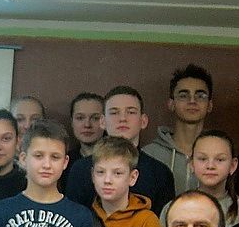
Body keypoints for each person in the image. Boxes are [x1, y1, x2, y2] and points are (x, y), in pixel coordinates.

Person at [66, 86, 176, 216]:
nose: (122, 118)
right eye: (114, 112)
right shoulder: (80, 169)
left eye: (131, 112)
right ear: (102, 121)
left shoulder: (160, 173)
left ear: (143, 121)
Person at [89, 136, 164, 227]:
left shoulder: (146, 222)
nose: (107, 180)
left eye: (117, 173)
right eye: (100, 172)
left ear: (132, 177)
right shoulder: (84, 219)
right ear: (93, 175)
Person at [143, 64, 213, 193]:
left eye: (200, 96)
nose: (192, 101)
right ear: (171, 104)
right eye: (183, 95)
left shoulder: (220, 154)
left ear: (209, 105)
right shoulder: (149, 155)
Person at [163, 130, 239, 227]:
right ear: (192, 164)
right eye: (203, 159)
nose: (210, 166)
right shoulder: (173, 208)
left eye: (220, 160)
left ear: (233, 165)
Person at [62, 92, 104, 187]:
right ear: (72, 122)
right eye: (80, 118)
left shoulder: (118, 159)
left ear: (105, 121)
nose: (87, 125)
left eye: (95, 118)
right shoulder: (64, 162)